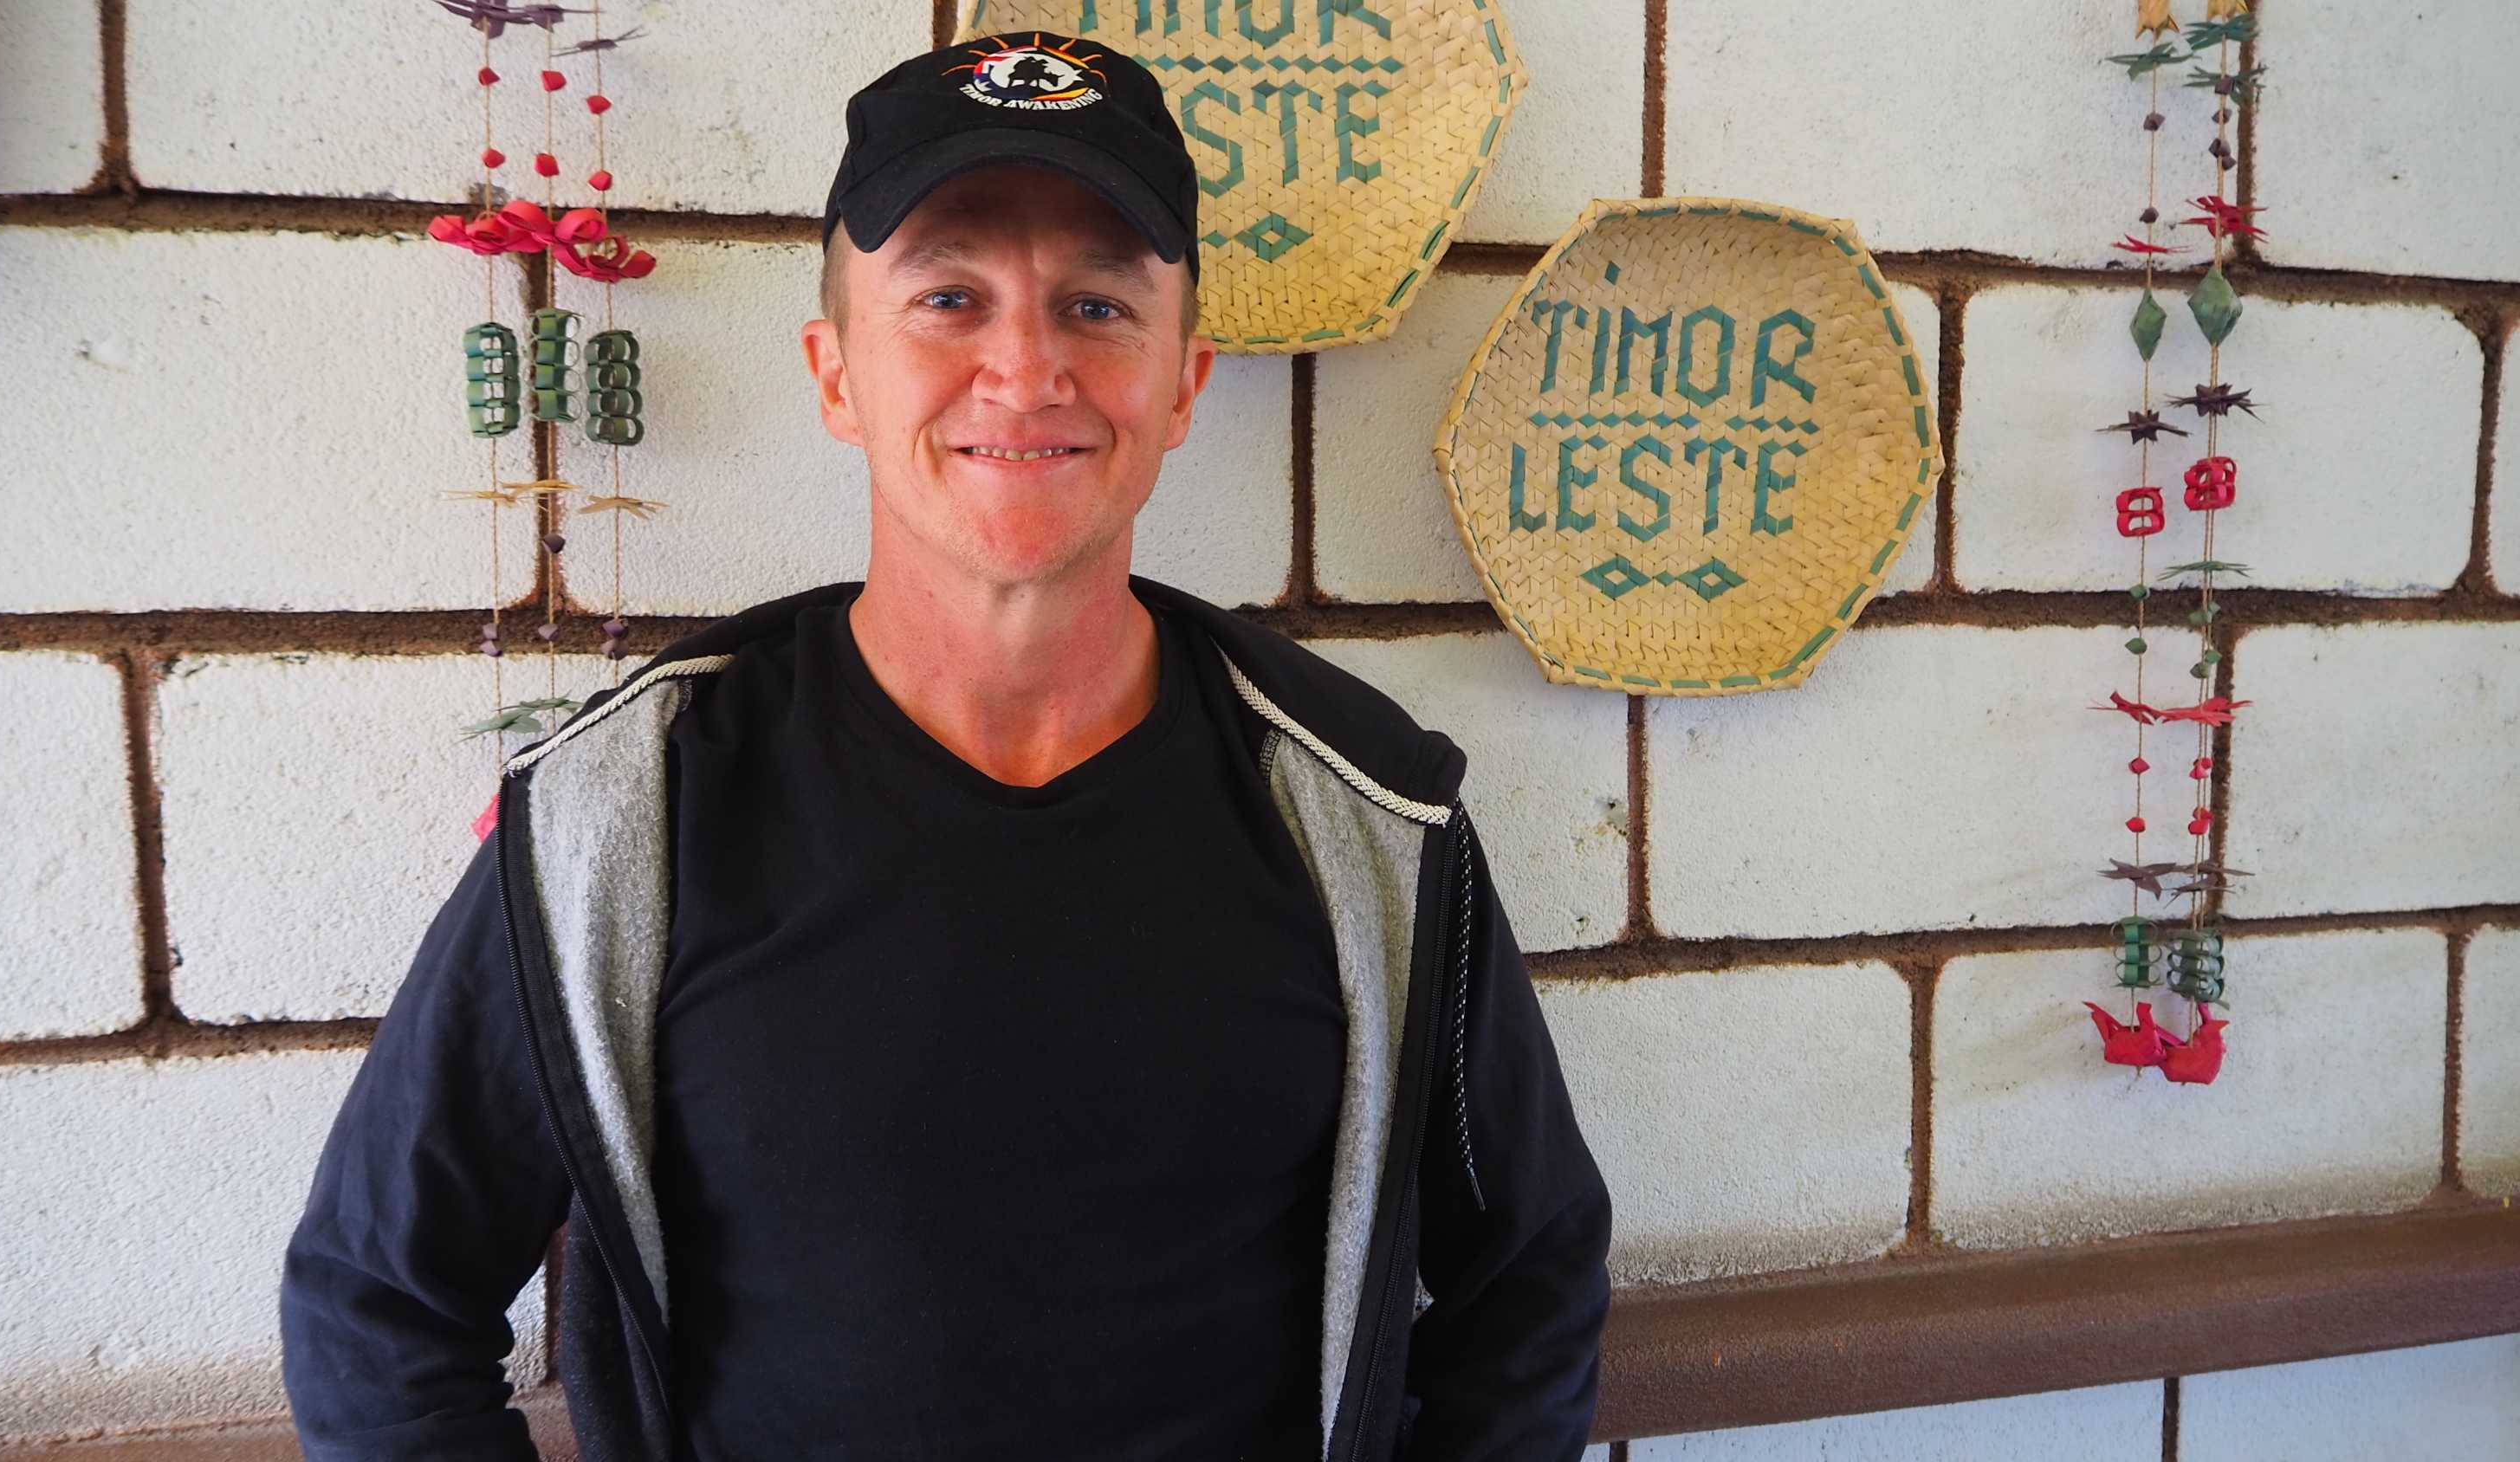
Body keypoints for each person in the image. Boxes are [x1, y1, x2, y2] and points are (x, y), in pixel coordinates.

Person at [280, 28, 1611, 1462]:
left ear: (1182, 382)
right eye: (949, 298)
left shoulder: (1364, 813)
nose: (1025, 370)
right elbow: (379, 1305)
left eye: (1097, 305)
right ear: (836, 374)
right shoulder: (627, 805)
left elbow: (1527, 1280)